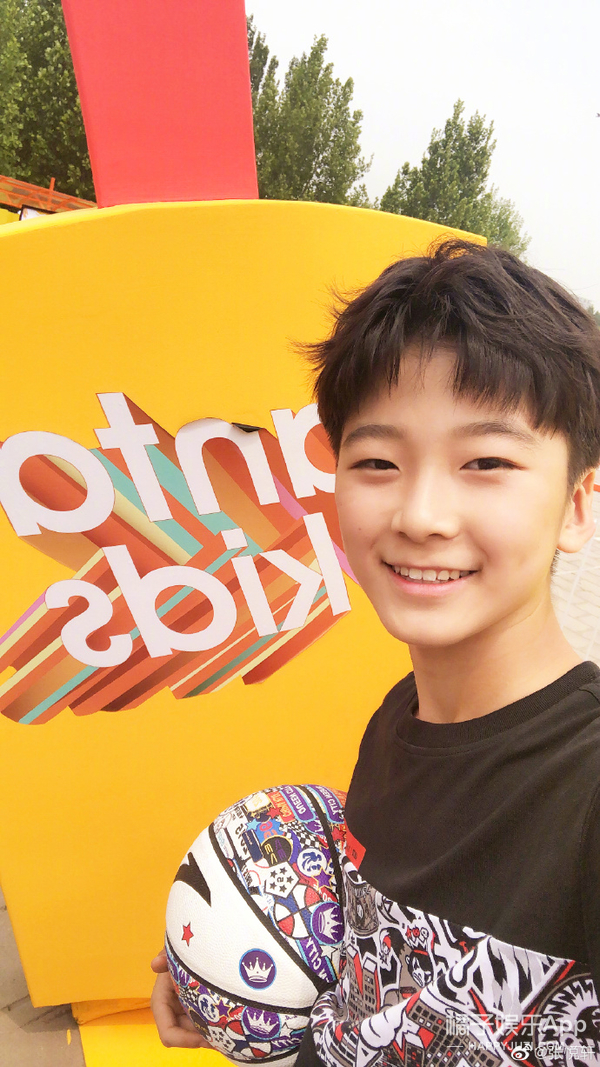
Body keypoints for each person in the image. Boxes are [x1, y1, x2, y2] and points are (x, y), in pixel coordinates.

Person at [151, 238, 600, 1064]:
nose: (421, 514)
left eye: (486, 461)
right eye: (378, 460)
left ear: (578, 503)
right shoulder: (394, 723)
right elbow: (375, 976)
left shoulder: (584, 796)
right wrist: (216, 972)